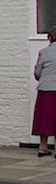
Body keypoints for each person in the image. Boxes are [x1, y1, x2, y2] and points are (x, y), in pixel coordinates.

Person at [33, 26, 56, 156]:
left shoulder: (44, 52)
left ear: (50, 38)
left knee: (44, 118)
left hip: (46, 88)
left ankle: (43, 147)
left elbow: (37, 73)